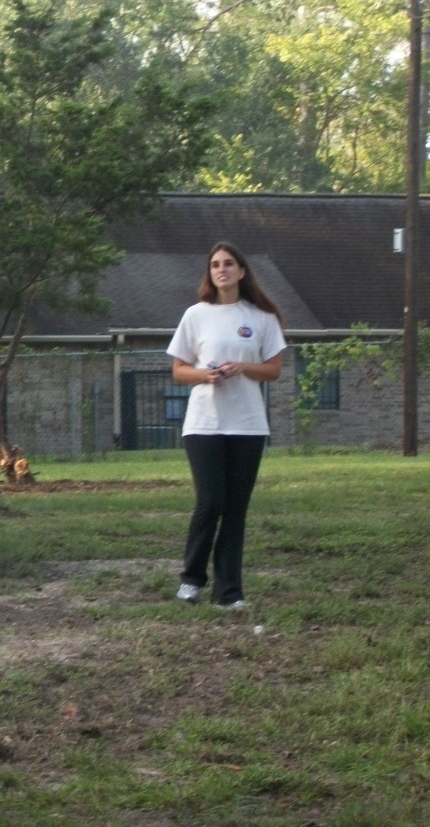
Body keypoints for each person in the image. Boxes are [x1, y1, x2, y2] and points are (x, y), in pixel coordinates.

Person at [167, 241, 287, 610]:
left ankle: (229, 592)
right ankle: (191, 580)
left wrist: (243, 367)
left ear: (242, 271)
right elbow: (178, 370)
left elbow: (274, 370)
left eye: (229, 263)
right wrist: (204, 375)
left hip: (247, 425)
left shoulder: (262, 317)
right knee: (210, 502)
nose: (222, 270)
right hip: (204, 424)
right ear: (210, 273)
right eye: (216, 264)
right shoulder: (195, 315)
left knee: (235, 509)